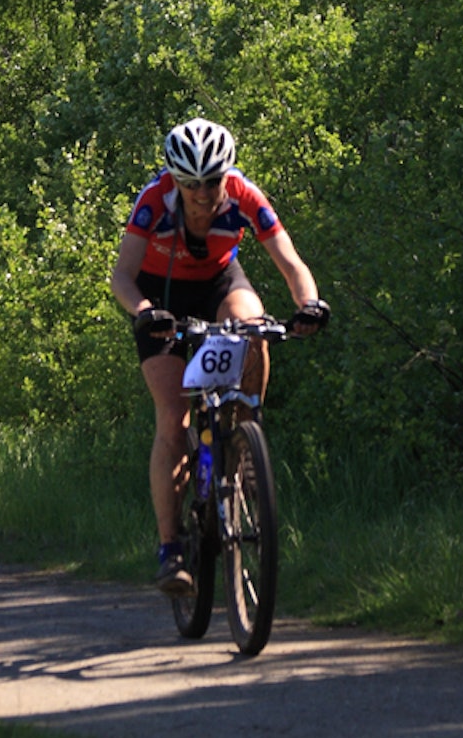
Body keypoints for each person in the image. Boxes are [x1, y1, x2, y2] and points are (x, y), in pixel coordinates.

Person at [109, 117, 331, 595]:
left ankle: (246, 434)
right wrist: (145, 312)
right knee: (174, 418)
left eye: (212, 182)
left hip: (218, 283)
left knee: (256, 329)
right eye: (192, 185)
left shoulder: (245, 195)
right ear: (176, 180)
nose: (204, 194)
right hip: (160, 296)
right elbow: (121, 277)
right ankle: (171, 550)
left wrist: (308, 303)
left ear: (225, 176)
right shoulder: (153, 200)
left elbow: (290, 261)